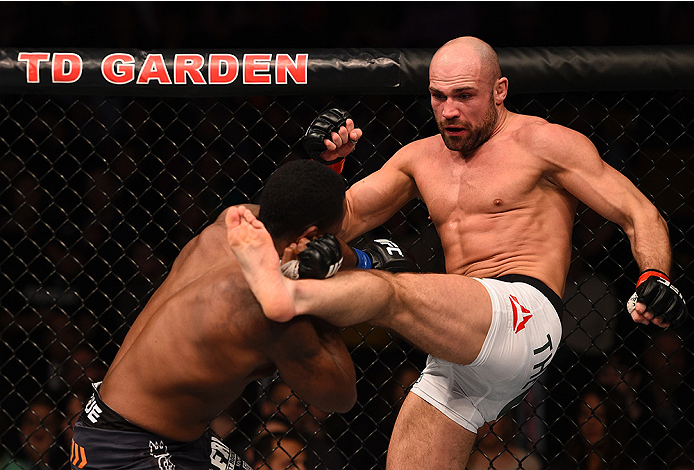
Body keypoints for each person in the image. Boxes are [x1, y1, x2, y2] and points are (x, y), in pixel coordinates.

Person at [225, 36, 688, 469]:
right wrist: (330, 165)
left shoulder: (544, 144)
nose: (448, 111)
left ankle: (287, 295)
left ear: (500, 90)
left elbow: (639, 212)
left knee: (389, 286)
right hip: (459, 343)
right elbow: (341, 217)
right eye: (438, 96)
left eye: (464, 95)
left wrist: (655, 275)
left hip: (524, 313)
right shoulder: (420, 158)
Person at [70, 160, 358, 469]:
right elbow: (342, 396)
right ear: (310, 237)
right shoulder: (267, 307)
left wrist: (363, 258)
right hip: (128, 450)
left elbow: (345, 206)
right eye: (332, 239)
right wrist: (316, 288)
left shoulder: (232, 222)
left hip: (133, 429)